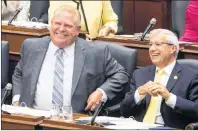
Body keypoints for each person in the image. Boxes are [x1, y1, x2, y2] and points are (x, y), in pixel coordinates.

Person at [12, 5, 128, 114]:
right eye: (57, 23)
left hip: (74, 121)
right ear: (51, 24)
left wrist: (101, 92)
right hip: (34, 119)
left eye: (68, 25)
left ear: (78, 30)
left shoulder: (95, 52)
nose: (61, 29)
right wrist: (17, 98)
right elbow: (19, 73)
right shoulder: (31, 46)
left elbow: (121, 74)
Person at [120, 29, 198, 129]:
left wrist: (169, 97)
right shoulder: (140, 74)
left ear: (173, 48)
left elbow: (196, 110)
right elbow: (124, 111)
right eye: (150, 44)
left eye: (158, 44)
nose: (152, 49)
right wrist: (138, 94)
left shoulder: (191, 76)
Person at [48, 1, 118, 39]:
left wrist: (107, 28)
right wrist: (80, 37)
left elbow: (111, 21)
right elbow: (54, 25)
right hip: (66, 43)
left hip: (94, 47)